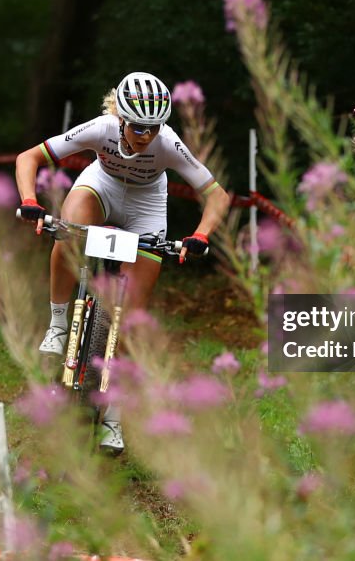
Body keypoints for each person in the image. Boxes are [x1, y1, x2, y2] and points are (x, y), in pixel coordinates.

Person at [14, 71, 231, 453]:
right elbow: (28, 157)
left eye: (153, 128)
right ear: (121, 119)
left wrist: (200, 236)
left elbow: (218, 196)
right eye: (137, 127)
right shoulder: (101, 128)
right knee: (69, 229)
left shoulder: (169, 144)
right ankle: (59, 323)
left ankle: (113, 415)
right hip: (101, 187)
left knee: (132, 317)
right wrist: (30, 201)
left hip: (147, 207)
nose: (145, 136)